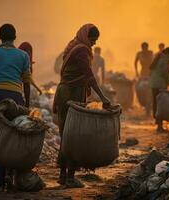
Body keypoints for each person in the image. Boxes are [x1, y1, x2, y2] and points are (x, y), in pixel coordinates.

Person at [53, 24, 111, 188]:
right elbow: (89, 76)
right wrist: (103, 97)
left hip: (65, 91)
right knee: (74, 135)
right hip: (72, 93)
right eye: (93, 40)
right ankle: (70, 177)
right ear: (87, 37)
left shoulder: (72, 45)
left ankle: (63, 176)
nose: (94, 44)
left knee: (66, 134)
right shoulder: (82, 50)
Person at [0, 24, 31, 190]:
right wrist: (27, 105)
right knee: (13, 137)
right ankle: (10, 175)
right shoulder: (23, 55)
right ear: (15, 37)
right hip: (16, 98)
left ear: (0, 37)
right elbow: (27, 82)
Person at [150, 47, 169, 132]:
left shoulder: (158, 58)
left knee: (156, 104)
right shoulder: (165, 60)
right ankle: (160, 126)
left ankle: (158, 123)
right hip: (160, 84)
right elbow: (166, 73)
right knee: (161, 105)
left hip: (153, 84)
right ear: (168, 53)